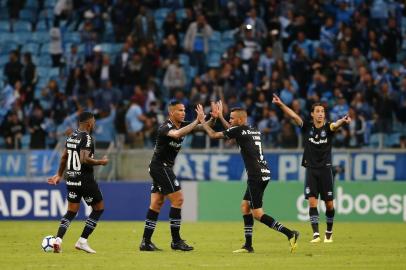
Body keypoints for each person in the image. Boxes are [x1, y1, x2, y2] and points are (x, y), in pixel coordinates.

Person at [195, 101, 299, 253]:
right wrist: (221, 117)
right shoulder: (252, 129)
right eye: (229, 118)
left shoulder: (239, 130)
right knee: (245, 207)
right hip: (263, 173)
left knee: (257, 213)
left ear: (241, 120)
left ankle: (290, 233)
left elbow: (212, 134)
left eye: (231, 118)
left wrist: (202, 121)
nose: (229, 120)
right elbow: (233, 130)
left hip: (256, 175)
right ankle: (248, 245)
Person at [272, 94, 351, 243]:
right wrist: (281, 104)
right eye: (318, 111)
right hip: (311, 169)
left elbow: (336, 124)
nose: (320, 114)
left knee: (329, 204)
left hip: (325, 169)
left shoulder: (329, 128)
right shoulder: (307, 127)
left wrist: (343, 121)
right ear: (312, 114)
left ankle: (329, 231)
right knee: (312, 202)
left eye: (322, 111)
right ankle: (316, 234)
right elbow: (294, 116)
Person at [139, 100, 218, 251]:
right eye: (180, 110)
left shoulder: (182, 124)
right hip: (160, 167)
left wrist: (212, 118)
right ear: (171, 113)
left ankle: (145, 242)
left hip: (161, 167)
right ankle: (176, 241)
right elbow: (177, 134)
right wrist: (197, 120)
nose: (183, 113)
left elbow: (204, 126)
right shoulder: (165, 127)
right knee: (178, 199)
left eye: (184, 110)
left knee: (156, 203)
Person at [47, 111, 109, 253]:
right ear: (88, 123)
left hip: (71, 178)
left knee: (71, 211)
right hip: (85, 180)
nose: (94, 124)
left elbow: (64, 157)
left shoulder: (72, 136)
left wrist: (58, 175)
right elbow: (84, 159)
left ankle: (58, 240)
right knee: (99, 208)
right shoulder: (87, 138)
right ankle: (82, 241)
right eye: (93, 122)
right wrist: (101, 162)